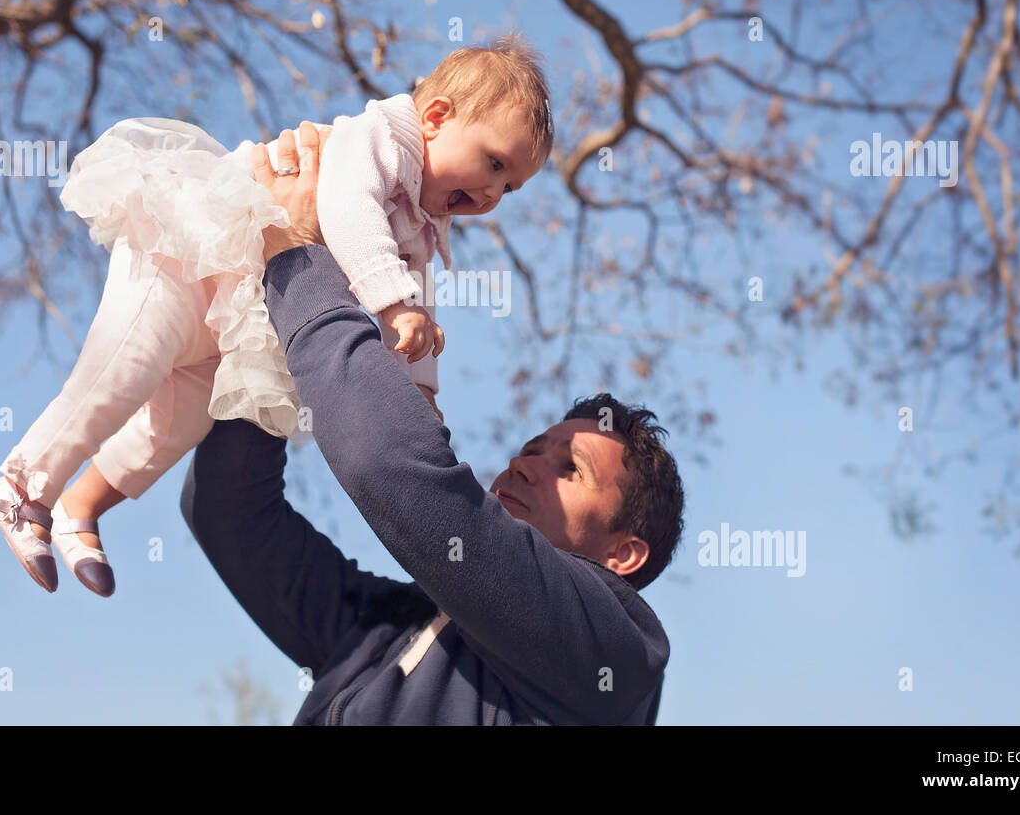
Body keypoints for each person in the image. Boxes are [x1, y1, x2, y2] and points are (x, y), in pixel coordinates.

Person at [0, 36, 553, 598]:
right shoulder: (379, 140)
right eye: (494, 163)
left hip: (234, 315)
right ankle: (24, 485)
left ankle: (81, 510)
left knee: (176, 426)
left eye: (510, 187)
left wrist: (421, 394)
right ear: (434, 117)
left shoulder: (426, 228)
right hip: (191, 259)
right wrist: (396, 304)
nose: (492, 193)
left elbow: (418, 317)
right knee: (122, 370)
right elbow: (348, 212)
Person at [180, 124, 685, 725]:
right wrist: (264, 323)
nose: (523, 464)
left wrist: (298, 262)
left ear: (622, 555)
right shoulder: (387, 631)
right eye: (533, 449)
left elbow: (391, 467)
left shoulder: (614, 655)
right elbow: (226, 512)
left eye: (569, 470)